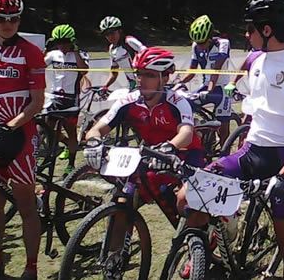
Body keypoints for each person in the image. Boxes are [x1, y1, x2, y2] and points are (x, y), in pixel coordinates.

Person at [194, 0, 284, 280]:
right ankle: (206, 252)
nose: (246, 34)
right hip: (251, 152)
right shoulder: (255, 59)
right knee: (190, 196)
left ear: (267, 29)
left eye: (250, 28)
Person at [84, 47, 205, 271]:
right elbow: (97, 128)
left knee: (185, 202)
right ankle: (114, 260)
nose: (141, 80)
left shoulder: (178, 101)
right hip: (150, 155)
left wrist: (170, 146)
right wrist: (92, 142)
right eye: (139, 73)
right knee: (122, 200)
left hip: (185, 154)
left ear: (164, 78)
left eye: (149, 75)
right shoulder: (128, 101)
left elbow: (186, 133)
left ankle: (197, 249)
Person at [0, 0, 44, 280]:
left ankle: (31, 267)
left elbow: (37, 101)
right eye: (1, 18)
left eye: (14, 18)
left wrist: (10, 127)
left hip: (19, 136)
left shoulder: (30, 51)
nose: (8, 24)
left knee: (25, 205)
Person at [174, 15, 234, 142]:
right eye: (198, 43)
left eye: (203, 43)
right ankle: (205, 135)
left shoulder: (223, 44)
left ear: (210, 37)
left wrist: (210, 91)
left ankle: (224, 152)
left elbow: (216, 71)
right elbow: (192, 71)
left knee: (223, 125)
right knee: (187, 103)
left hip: (223, 88)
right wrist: (177, 83)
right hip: (206, 85)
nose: (200, 46)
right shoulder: (195, 46)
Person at [44, 24, 89, 175]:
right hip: (55, 97)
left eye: (65, 42)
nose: (61, 46)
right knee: (46, 128)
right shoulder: (53, 54)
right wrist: (46, 49)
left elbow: (84, 70)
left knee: (71, 132)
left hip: (71, 99)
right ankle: (55, 152)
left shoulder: (80, 54)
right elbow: (38, 65)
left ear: (72, 41)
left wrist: (75, 51)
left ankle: (70, 163)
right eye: (58, 42)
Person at [98, 16, 147, 92]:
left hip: (144, 81)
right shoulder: (111, 49)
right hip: (132, 84)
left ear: (119, 31)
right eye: (107, 34)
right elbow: (114, 73)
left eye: (112, 33)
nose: (110, 37)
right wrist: (105, 86)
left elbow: (148, 53)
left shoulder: (129, 41)